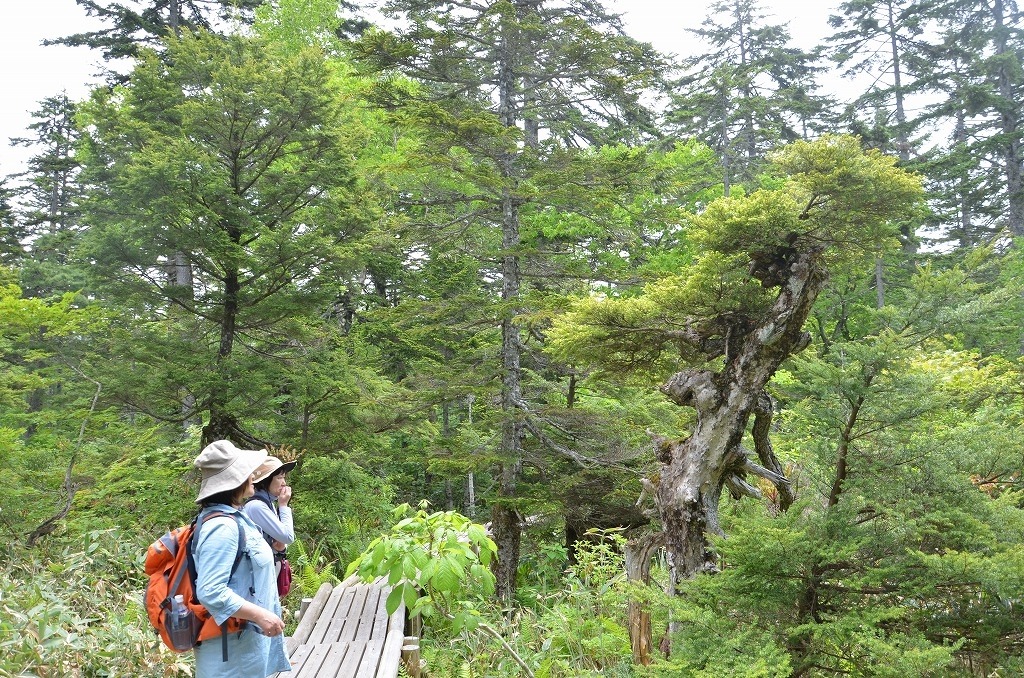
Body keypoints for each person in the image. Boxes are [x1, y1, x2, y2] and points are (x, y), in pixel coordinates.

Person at [192, 440, 290, 678]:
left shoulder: (233, 517)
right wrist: (260, 615)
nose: (253, 475)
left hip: (242, 646)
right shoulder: (222, 527)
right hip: (232, 655)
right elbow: (211, 591)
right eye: (246, 471)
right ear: (235, 480)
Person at [243, 456, 298, 570]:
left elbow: (281, 542)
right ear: (266, 480)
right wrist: (283, 505)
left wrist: (279, 547)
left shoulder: (267, 502)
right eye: (279, 478)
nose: (284, 483)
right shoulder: (256, 506)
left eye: (284, 477)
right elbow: (288, 537)